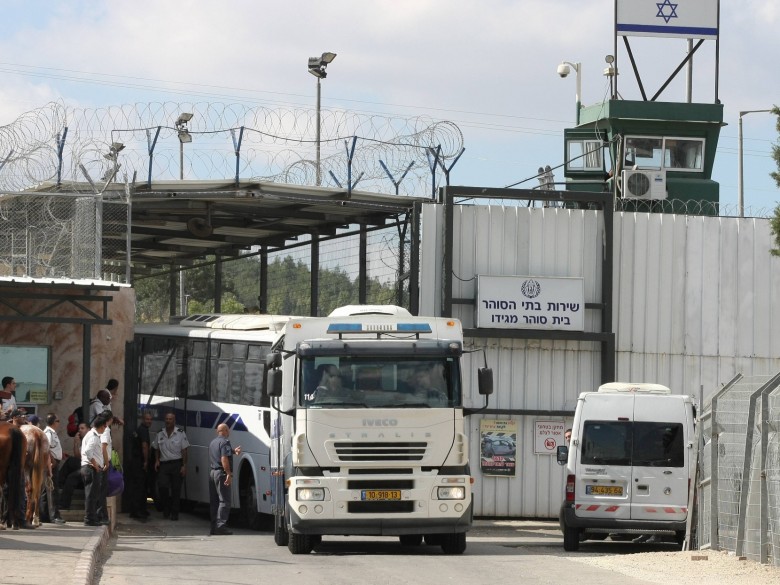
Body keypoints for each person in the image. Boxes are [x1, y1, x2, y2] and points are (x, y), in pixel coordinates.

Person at [152, 412, 189, 521]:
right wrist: (157, 460)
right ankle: (166, 508)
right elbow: (156, 448)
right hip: (164, 464)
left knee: (176, 489)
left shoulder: (180, 433)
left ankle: (174, 513)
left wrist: (184, 465)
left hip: (177, 464)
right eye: (167, 419)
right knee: (162, 487)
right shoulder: (160, 433)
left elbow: (185, 451)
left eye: (170, 419)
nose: (168, 421)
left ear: (174, 421)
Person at [208, 423, 242, 535]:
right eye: (228, 430)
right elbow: (223, 458)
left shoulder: (213, 442)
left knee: (214, 501)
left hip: (213, 473)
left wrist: (233, 451)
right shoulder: (225, 442)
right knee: (224, 501)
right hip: (221, 474)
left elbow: (221, 452)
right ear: (226, 431)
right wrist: (228, 473)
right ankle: (220, 526)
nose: (229, 432)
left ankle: (213, 527)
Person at [81, 414, 108, 526]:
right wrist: (95, 464)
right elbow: (88, 451)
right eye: (105, 426)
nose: (105, 429)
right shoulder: (93, 436)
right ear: (101, 426)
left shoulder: (92, 435)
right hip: (91, 468)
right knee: (91, 495)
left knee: (93, 495)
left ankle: (92, 518)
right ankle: (89, 519)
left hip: (90, 467)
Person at [41, 413, 66, 524]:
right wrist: (52, 461)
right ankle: (54, 516)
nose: (59, 423)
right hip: (51, 464)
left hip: (53, 462)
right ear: (53, 422)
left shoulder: (52, 433)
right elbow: (46, 449)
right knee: (52, 490)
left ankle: (45, 515)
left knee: (47, 490)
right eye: (58, 421)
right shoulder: (48, 433)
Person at [128, 411, 152, 520]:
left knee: (140, 486)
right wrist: (146, 461)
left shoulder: (140, 429)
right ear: (142, 419)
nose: (149, 421)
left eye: (150, 419)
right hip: (139, 462)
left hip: (136, 461)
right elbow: (144, 446)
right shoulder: (143, 430)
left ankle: (140, 509)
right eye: (147, 419)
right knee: (139, 487)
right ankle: (137, 511)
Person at [59, 422, 89, 510]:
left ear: (88, 430)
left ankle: (59, 483)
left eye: (82, 428)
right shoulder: (83, 441)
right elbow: (77, 456)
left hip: (89, 467)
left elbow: (82, 458)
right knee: (71, 465)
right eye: (79, 428)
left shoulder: (90, 439)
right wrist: (76, 443)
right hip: (83, 465)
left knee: (71, 464)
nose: (80, 430)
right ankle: (60, 484)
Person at [96, 410, 114, 525]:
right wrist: (107, 463)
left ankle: (101, 515)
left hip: (100, 461)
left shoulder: (99, 429)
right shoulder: (106, 430)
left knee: (100, 490)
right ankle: (102, 516)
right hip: (103, 463)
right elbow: (103, 447)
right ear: (110, 419)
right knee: (102, 491)